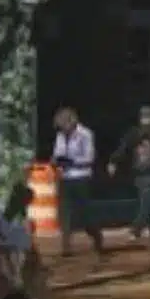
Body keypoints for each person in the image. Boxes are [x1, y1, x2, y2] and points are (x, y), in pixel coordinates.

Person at [51, 107, 104, 257]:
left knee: (85, 214)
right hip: (65, 177)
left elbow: (89, 157)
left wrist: (72, 161)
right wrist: (57, 160)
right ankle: (66, 244)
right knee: (64, 211)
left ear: (72, 122)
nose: (62, 129)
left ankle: (96, 234)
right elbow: (57, 153)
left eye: (64, 124)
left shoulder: (85, 134)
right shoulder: (60, 136)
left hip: (81, 177)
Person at [117, 107, 150, 240]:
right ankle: (146, 230)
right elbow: (124, 148)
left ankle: (144, 230)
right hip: (141, 173)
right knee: (146, 203)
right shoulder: (136, 134)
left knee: (147, 202)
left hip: (149, 174)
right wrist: (113, 161)